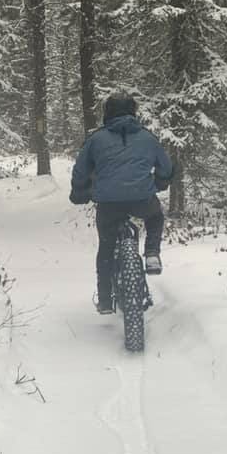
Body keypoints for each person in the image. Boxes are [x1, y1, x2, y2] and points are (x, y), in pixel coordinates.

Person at [69, 91, 174, 314]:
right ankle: (152, 253)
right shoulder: (147, 137)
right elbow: (166, 167)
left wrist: (79, 192)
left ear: (107, 113)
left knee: (106, 247)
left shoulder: (96, 139)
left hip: (108, 204)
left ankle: (106, 300)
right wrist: (161, 182)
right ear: (133, 112)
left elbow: (81, 170)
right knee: (155, 217)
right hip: (141, 200)